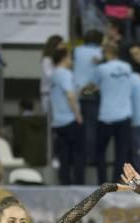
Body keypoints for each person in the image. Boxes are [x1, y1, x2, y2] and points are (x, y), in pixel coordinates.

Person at [92, 43, 134, 185]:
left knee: (100, 152)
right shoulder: (127, 67)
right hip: (124, 116)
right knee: (121, 154)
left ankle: (103, 182)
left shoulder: (101, 69)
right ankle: (117, 182)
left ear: (107, 54)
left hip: (106, 116)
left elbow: (91, 85)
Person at [50, 46, 85, 185]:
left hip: (58, 120)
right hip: (69, 119)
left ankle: (64, 183)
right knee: (78, 154)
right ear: (64, 58)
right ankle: (78, 184)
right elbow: (70, 95)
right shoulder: (65, 73)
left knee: (63, 155)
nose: (72, 60)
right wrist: (78, 115)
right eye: (70, 57)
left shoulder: (54, 74)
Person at [73, 30, 104, 167]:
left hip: (76, 92)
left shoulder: (76, 50)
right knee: (91, 128)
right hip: (92, 92)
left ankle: (78, 157)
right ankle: (90, 158)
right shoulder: (100, 51)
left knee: (78, 128)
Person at [40, 35, 64, 115]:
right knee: (49, 120)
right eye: (61, 44)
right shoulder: (47, 59)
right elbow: (49, 76)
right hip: (48, 93)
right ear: (55, 45)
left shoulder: (61, 59)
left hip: (58, 93)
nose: (63, 46)